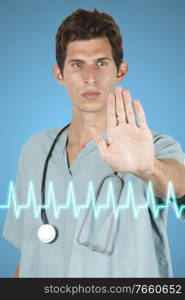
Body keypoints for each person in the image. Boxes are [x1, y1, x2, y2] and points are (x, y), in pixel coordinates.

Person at [3, 8, 185, 278]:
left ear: (120, 70)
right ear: (59, 74)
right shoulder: (35, 149)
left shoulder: (154, 147)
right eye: (77, 64)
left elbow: (179, 183)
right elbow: (30, 251)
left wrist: (148, 168)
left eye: (101, 63)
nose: (90, 76)